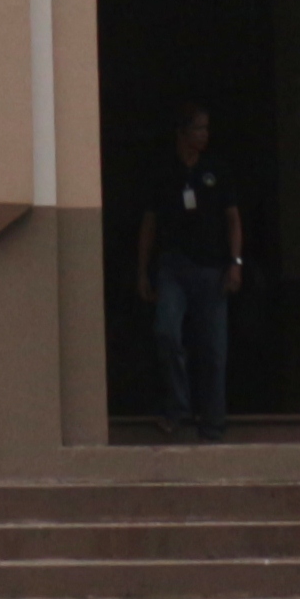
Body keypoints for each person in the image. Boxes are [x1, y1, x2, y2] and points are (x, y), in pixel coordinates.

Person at [130, 103, 243, 442]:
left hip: (212, 269)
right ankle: (177, 407)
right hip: (173, 269)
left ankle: (212, 422)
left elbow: (233, 220)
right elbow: (149, 224)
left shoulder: (217, 170)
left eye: (206, 129)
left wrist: (236, 264)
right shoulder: (163, 172)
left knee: (213, 349)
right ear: (181, 132)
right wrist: (142, 272)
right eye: (197, 129)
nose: (203, 135)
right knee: (167, 332)